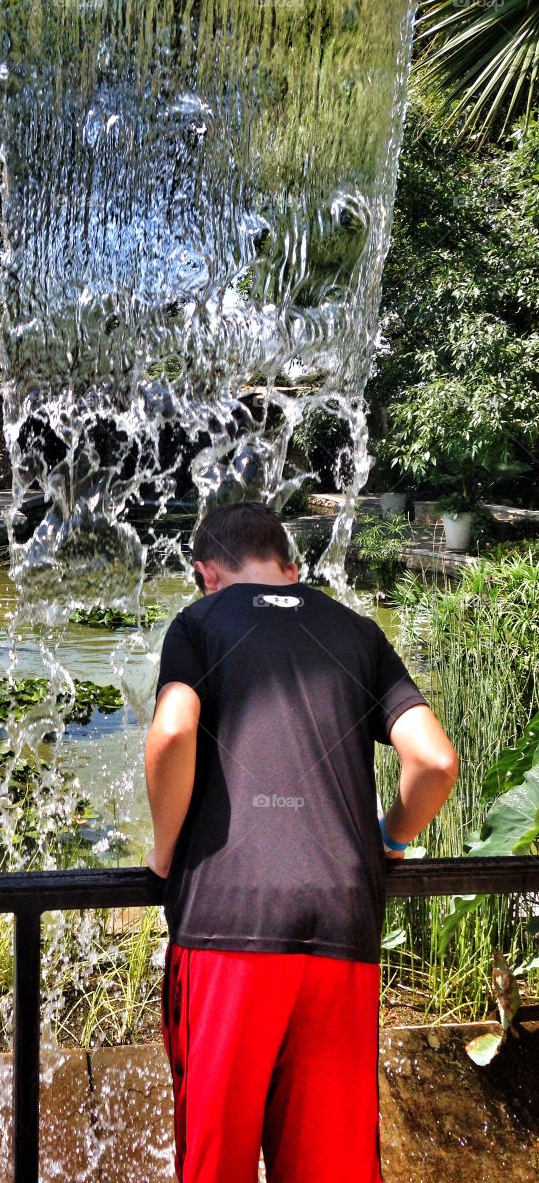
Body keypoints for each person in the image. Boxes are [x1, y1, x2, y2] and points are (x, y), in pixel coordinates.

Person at [144, 502, 458, 1183]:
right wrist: (389, 841)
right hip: (344, 920)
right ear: (292, 569)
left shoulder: (199, 623)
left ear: (206, 574)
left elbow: (172, 732)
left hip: (229, 921)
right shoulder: (356, 631)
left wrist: (165, 853)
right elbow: (434, 762)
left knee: (215, 1163)